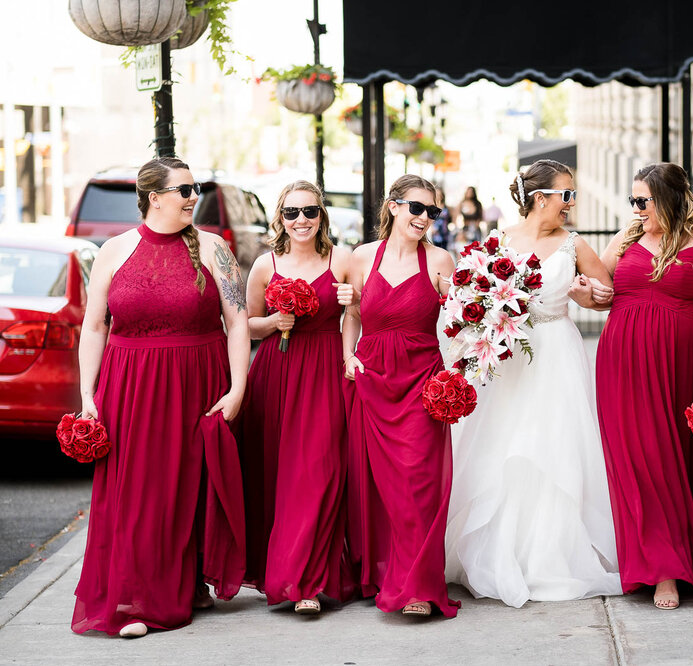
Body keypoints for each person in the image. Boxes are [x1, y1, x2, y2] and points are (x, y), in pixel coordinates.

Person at [73, 157, 248, 638]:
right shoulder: (114, 250)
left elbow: (236, 323)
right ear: (154, 197)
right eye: (185, 190)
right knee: (139, 495)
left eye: (195, 189)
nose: (195, 197)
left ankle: (188, 585)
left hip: (199, 381)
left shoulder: (214, 248)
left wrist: (238, 388)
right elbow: (94, 326)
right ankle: (137, 603)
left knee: (189, 489)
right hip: (130, 386)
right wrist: (89, 395)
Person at [444, 158, 622, 608]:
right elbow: (471, 296)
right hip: (509, 358)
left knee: (554, 447)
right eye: (567, 194)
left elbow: (607, 298)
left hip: (557, 354)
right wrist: (486, 313)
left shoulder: (575, 244)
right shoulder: (498, 241)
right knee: (502, 448)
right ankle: (497, 550)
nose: (571, 203)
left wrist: (589, 297)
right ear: (540, 198)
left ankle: (549, 554)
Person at [593, 163, 693, 610]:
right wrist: (581, 293)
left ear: (668, 199)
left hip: (679, 366)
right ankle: (660, 569)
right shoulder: (626, 238)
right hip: (623, 365)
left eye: (642, 201)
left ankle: (684, 557)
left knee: (678, 464)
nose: (635, 209)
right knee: (639, 462)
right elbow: (598, 289)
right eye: (632, 200)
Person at [343, 174, 459, 618]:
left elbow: (462, 326)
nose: (424, 218)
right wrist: (348, 356)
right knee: (381, 487)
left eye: (432, 212)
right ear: (392, 207)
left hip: (420, 380)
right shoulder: (361, 257)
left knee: (419, 484)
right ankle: (386, 572)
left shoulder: (439, 260)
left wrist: (458, 301)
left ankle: (418, 587)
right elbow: (352, 312)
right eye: (416, 208)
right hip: (373, 378)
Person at [238, 180, 356, 614]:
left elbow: (356, 315)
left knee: (320, 471)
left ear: (321, 216)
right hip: (277, 375)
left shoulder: (341, 259)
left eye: (309, 212)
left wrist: (353, 307)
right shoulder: (265, 265)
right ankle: (291, 578)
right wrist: (274, 322)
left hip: (325, 372)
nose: (301, 221)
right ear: (280, 218)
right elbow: (244, 324)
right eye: (292, 213)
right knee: (280, 477)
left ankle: (308, 579)